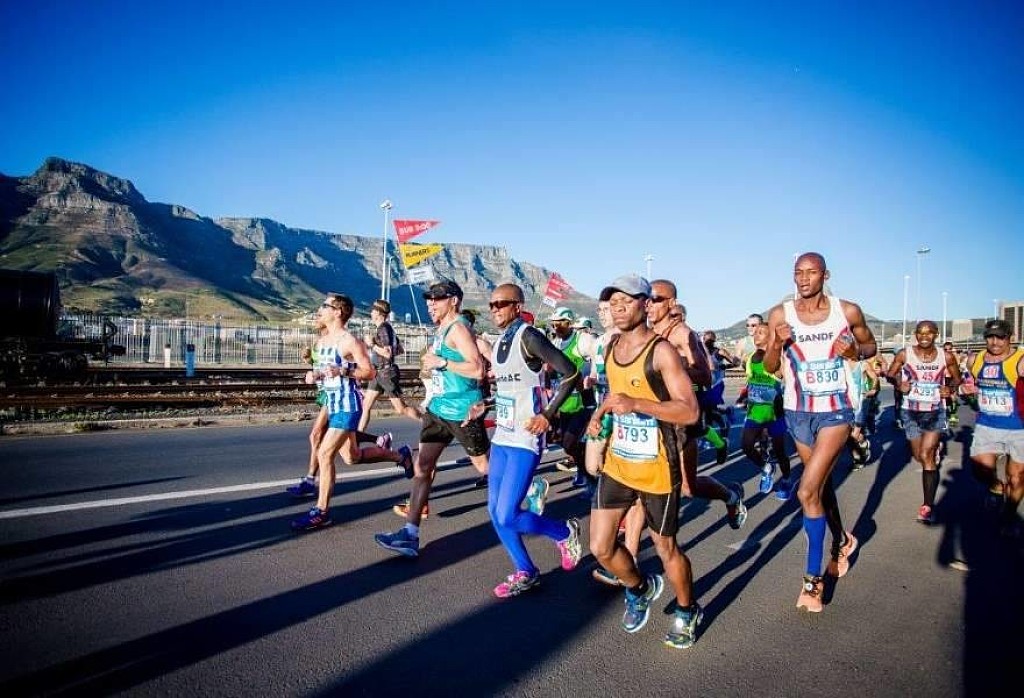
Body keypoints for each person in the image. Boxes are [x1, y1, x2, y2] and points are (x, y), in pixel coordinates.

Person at [587, 274, 704, 649]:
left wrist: (638, 404)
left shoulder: (662, 351)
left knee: (666, 548)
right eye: (613, 303)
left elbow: (689, 411)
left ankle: (687, 609)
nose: (618, 309)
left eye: (626, 301)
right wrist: (599, 415)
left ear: (645, 303)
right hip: (619, 463)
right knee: (601, 548)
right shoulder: (611, 346)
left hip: (657, 466)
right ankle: (639, 588)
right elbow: (616, 394)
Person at [763, 253, 877, 612]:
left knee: (807, 490)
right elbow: (769, 365)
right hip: (798, 412)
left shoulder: (848, 311)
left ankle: (812, 582)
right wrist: (776, 344)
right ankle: (842, 539)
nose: (803, 279)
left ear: (825, 275)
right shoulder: (780, 315)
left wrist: (855, 351)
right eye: (798, 273)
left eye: (811, 273)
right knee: (821, 488)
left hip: (835, 412)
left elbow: (870, 346)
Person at [465, 284, 584, 597]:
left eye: (501, 304)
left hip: (526, 437)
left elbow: (571, 373)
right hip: (503, 436)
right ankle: (526, 571)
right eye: (491, 304)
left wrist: (548, 414)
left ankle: (564, 532)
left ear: (517, 306)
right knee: (495, 512)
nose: (494, 309)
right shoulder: (499, 340)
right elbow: (512, 389)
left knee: (508, 513)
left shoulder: (528, 336)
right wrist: (485, 404)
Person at [374, 280, 489, 557]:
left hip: (461, 410)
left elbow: (478, 370)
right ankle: (409, 534)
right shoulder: (442, 329)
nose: (430, 304)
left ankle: (529, 488)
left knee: (485, 466)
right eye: (429, 299)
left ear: (454, 301)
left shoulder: (459, 328)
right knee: (422, 467)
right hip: (438, 409)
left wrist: (442, 363)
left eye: (437, 299)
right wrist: (432, 364)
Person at [291, 294, 413, 531]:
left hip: (348, 405)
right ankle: (401, 457)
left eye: (325, 305)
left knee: (325, 453)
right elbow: (327, 372)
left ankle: (321, 511)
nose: (320, 309)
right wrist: (315, 375)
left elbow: (369, 372)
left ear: (338, 312)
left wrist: (343, 370)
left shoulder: (350, 341)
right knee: (352, 457)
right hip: (332, 404)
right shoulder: (322, 341)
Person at [648, 285, 745, 526]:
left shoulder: (683, 334)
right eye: (646, 299)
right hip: (654, 416)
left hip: (681, 418)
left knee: (687, 487)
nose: (648, 305)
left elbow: (705, 376)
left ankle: (731, 496)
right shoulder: (646, 332)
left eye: (655, 299)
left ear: (671, 303)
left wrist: (673, 366)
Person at [886, 321, 961, 524]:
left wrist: (949, 389)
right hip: (910, 412)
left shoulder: (946, 356)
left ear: (936, 334)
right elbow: (890, 374)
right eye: (920, 333)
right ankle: (933, 451)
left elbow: (957, 378)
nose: (924, 337)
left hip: (935, 411)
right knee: (919, 456)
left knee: (927, 455)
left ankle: (927, 506)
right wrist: (899, 383)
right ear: (915, 335)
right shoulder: (905, 354)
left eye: (929, 333)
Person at [961, 319, 1024, 537]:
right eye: (990, 337)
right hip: (987, 425)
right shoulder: (975, 360)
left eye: (1000, 337)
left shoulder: (1019, 361)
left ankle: (1009, 515)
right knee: (981, 469)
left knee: (1017, 477)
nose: (995, 342)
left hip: (1019, 428)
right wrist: (968, 392)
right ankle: (996, 485)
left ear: (1010, 338)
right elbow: (971, 387)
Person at [547, 307, 598, 492]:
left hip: (582, 401)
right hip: (564, 402)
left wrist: (592, 376)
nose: (556, 327)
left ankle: (589, 477)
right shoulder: (555, 343)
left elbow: (598, 356)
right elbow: (550, 369)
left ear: (569, 323)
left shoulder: (582, 340)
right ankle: (586, 470)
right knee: (566, 443)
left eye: (560, 324)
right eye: (554, 324)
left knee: (570, 442)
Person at [740, 322, 793, 499]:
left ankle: (787, 479)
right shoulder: (750, 358)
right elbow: (750, 382)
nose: (756, 334)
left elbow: (782, 376)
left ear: (770, 337)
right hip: (755, 412)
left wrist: (779, 359)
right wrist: (745, 397)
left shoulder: (776, 358)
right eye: (755, 332)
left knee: (780, 451)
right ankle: (766, 467)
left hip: (774, 413)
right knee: (746, 445)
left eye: (761, 332)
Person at [356, 299, 422, 433]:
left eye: (373, 310)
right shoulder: (388, 328)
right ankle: (359, 435)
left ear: (379, 313)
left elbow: (388, 353)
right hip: (378, 373)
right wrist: (377, 346)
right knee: (366, 405)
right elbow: (400, 349)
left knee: (401, 409)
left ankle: (427, 422)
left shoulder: (383, 328)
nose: (371, 312)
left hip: (385, 373)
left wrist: (372, 345)